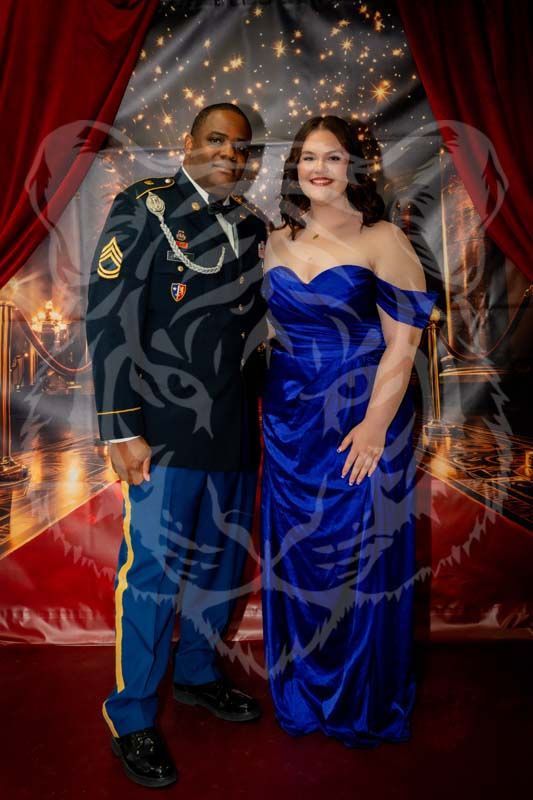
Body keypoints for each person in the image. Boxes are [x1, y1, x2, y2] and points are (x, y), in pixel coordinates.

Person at [86, 103, 269, 787]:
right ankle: (131, 715)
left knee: (220, 567)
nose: (228, 154)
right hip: (160, 429)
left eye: (240, 146)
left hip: (232, 426)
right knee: (153, 575)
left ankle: (196, 674)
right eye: (215, 140)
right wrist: (119, 425)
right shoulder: (145, 205)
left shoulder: (251, 224)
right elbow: (108, 315)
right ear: (187, 142)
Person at [260, 115, 439, 748]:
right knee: (302, 558)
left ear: (354, 167)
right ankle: (304, 688)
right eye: (309, 157)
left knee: (362, 556)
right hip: (290, 424)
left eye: (333, 157)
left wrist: (374, 427)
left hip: (365, 415)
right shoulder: (272, 241)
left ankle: (363, 696)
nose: (320, 168)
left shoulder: (382, 237)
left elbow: (404, 344)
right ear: (295, 168)